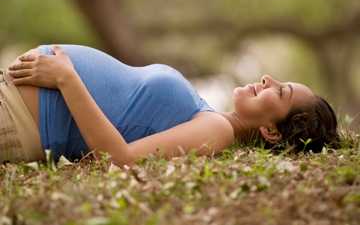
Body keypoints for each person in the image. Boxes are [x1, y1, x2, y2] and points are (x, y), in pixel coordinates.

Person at [0, 45, 339, 166]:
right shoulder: (208, 115)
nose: (268, 79)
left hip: (18, 120)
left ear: (271, 132)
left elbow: (120, 158)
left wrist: (66, 78)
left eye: (280, 93)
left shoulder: (218, 130)